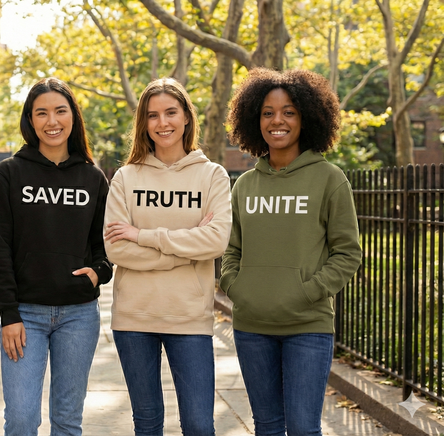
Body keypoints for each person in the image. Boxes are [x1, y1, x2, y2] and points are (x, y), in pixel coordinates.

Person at [221, 68, 361, 436]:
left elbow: (348, 253)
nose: (277, 120)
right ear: (255, 119)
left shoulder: (330, 179)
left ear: (307, 118)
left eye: (289, 112)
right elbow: (230, 250)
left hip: (307, 327)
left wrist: (305, 292)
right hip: (252, 327)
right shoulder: (246, 185)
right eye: (268, 112)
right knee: (266, 426)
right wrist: (239, 289)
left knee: (302, 427)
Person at [103, 77, 231, 436]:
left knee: (198, 425)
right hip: (134, 318)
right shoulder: (126, 178)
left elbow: (217, 240)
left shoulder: (212, 176)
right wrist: (187, 250)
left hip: (189, 316)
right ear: (144, 123)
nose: (163, 123)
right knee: (146, 423)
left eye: (171, 112)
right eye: (153, 115)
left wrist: (144, 236)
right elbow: (116, 248)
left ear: (187, 117)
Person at [0, 77, 113, 436]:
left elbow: (105, 244)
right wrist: (8, 312)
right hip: (25, 315)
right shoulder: (10, 173)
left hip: (79, 316)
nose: (52, 121)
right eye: (42, 112)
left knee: (68, 420)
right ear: (30, 119)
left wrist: (100, 272)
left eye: (60, 110)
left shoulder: (92, 177)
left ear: (73, 117)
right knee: (22, 420)